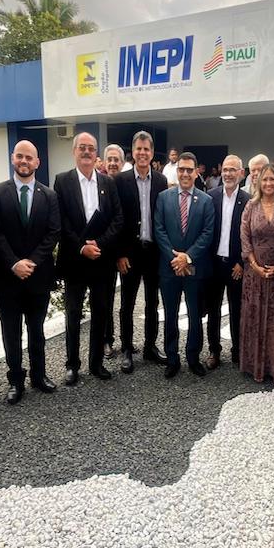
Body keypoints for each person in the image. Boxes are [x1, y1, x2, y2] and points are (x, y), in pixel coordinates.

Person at [0, 140, 61, 405]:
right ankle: (15, 381)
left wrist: (31, 262)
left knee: (37, 330)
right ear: (12, 158)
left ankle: (39, 376)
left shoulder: (49, 195)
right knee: (11, 332)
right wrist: (14, 263)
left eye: (29, 157)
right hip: (7, 277)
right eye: (20, 156)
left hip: (38, 276)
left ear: (37, 162)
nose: (24, 161)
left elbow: (53, 232)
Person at [54, 132, 123, 386]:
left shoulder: (107, 183)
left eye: (91, 148)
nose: (86, 151)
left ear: (96, 154)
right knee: (73, 314)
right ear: (74, 151)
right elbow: (61, 221)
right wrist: (82, 247)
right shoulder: (62, 181)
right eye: (82, 147)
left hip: (102, 260)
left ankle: (96, 363)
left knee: (100, 311)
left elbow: (118, 219)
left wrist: (100, 244)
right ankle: (72, 365)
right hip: (75, 260)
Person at [154, 151, 215, 379]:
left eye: (190, 169)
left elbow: (207, 234)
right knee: (170, 314)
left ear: (196, 172)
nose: (185, 174)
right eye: (181, 169)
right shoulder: (163, 198)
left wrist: (187, 257)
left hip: (194, 268)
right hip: (169, 268)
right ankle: (172, 358)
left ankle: (193, 357)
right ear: (176, 171)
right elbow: (159, 229)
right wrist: (175, 258)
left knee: (194, 315)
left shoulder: (206, 201)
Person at [115, 132, 169, 374]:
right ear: (133, 152)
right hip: (129, 253)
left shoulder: (160, 181)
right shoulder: (120, 180)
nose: (142, 153)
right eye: (138, 149)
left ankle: (149, 346)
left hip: (153, 252)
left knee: (152, 302)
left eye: (146, 149)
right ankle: (127, 348)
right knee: (126, 303)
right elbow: (117, 219)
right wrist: (120, 253)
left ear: (152, 152)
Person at [240, 164, 274, 383]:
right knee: (254, 318)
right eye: (265, 179)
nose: (268, 183)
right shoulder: (251, 206)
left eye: (272, 179)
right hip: (254, 275)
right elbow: (244, 237)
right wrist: (254, 265)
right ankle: (255, 367)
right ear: (259, 182)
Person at [205, 155, 249, 370]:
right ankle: (214, 350)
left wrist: (242, 261)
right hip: (214, 263)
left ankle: (237, 351)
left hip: (235, 266)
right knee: (213, 310)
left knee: (237, 309)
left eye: (233, 170)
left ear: (241, 173)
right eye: (225, 170)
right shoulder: (210, 196)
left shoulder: (248, 200)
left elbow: (250, 236)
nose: (228, 174)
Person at [102, 143, 126, 358]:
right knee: (106, 299)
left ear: (123, 162)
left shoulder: (127, 183)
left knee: (127, 300)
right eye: (109, 159)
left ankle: (127, 341)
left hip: (127, 253)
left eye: (116, 160)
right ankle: (106, 340)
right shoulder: (99, 184)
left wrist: (123, 253)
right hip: (106, 252)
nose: (112, 163)